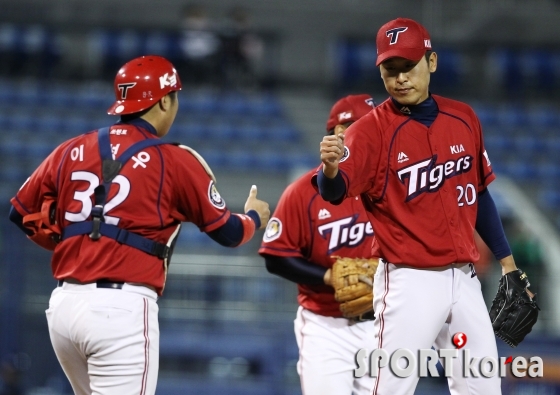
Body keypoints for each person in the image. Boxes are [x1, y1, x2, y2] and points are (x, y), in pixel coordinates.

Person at [8, 55, 270, 395]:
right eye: (174, 97)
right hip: (120, 310)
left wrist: (76, 241)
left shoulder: (71, 148)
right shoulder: (174, 159)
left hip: (63, 307)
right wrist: (253, 217)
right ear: (163, 100)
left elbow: (20, 213)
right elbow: (229, 233)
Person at [315, 18, 535, 395]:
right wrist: (330, 169)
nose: (400, 78)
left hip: (465, 280)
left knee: (483, 389)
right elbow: (334, 191)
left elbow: (479, 194)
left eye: (408, 66)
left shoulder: (463, 118)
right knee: (390, 388)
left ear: (430, 62)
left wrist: (508, 263)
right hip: (409, 281)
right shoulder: (369, 130)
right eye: (390, 69)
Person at [259, 94, 376, 395]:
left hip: (385, 324)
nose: (363, 132)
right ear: (335, 134)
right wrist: (329, 277)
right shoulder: (303, 191)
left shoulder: (395, 187)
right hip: (326, 327)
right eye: (354, 125)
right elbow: (276, 256)